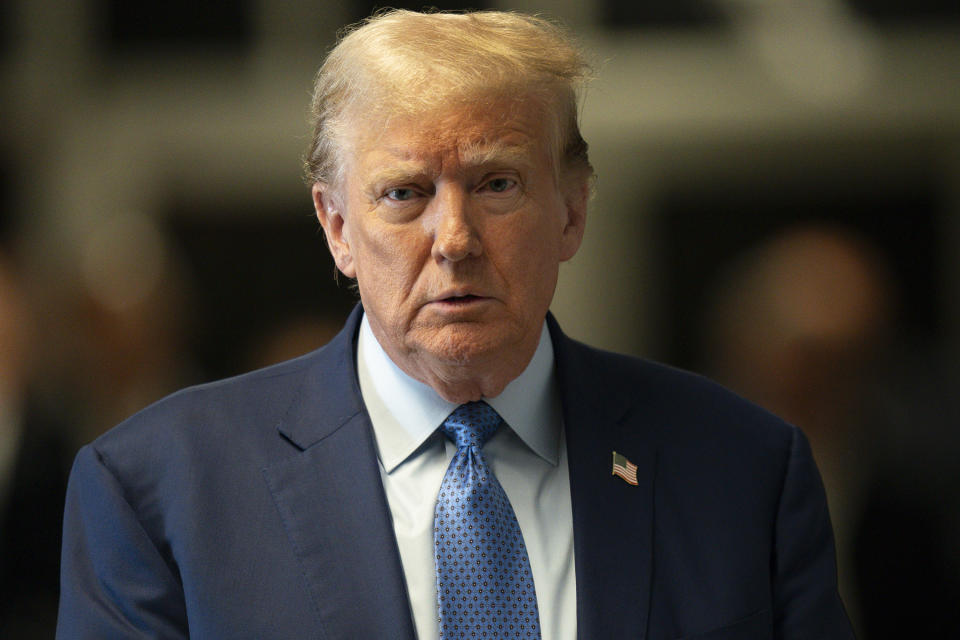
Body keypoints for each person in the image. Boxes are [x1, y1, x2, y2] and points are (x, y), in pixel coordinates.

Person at [57, 10, 854, 639]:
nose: (456, 239)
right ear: (336, 227)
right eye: (404, 193)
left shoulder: (746, 470)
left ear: (574, 208)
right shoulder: (157, 490)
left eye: (498, 182)